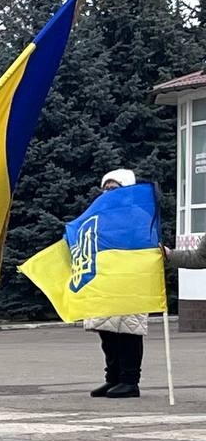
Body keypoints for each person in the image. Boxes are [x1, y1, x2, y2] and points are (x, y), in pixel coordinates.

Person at [81, 168, 145, 399]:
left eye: (114, 188)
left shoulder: (138, 213)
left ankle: (130, 381)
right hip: (105, 279)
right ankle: (113, 378)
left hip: (129, 280)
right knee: (107, 331)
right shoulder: (99, 214)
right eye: (105, 188)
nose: (108, 192)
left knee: (128, 330)